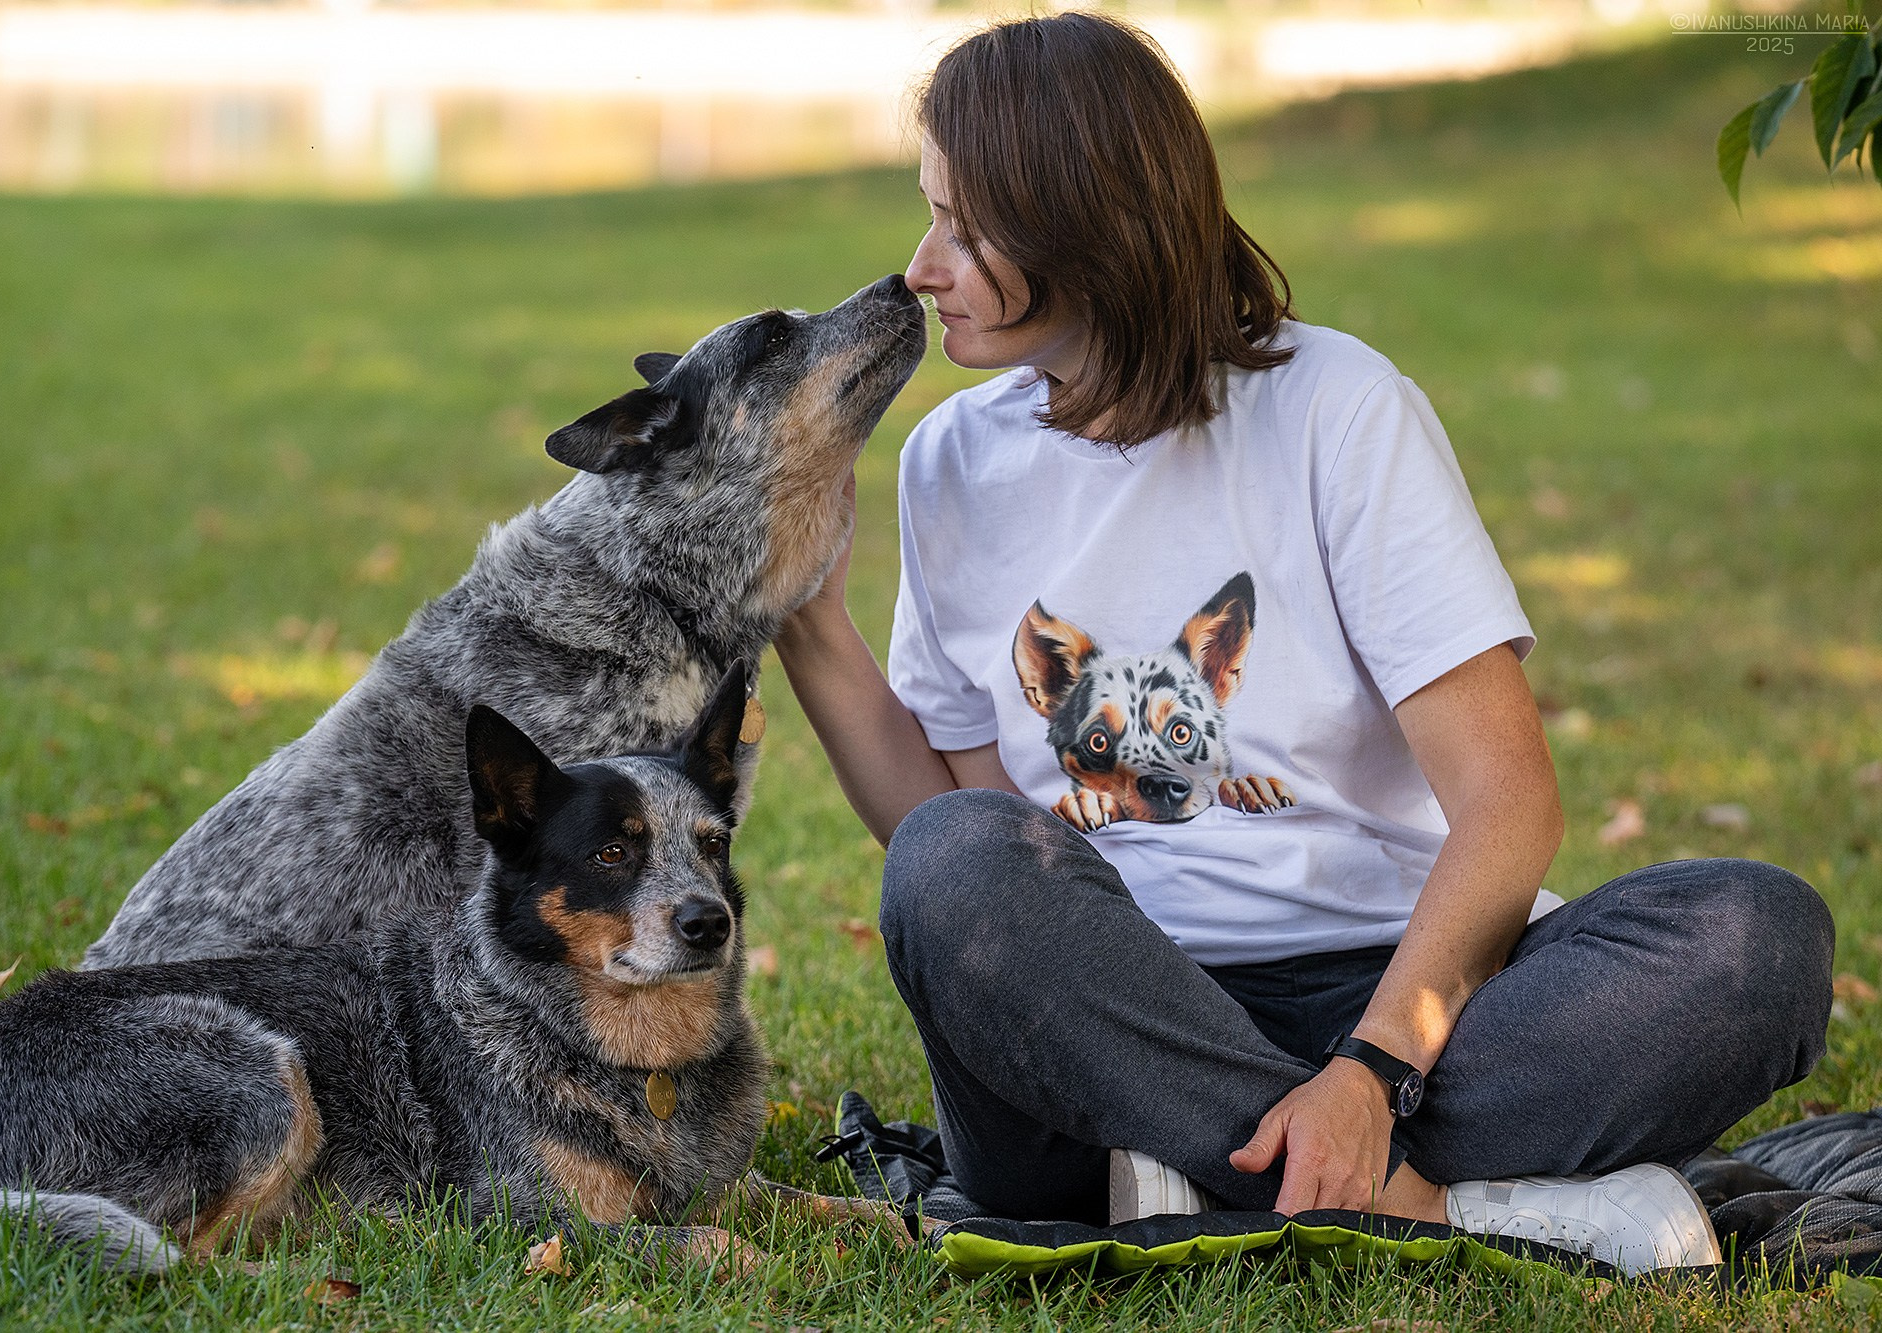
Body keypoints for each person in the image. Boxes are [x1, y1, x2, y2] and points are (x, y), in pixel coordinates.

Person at [772, 11, 1833, 1274]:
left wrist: (1373, 1072)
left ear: (1084, 227)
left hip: (1392, 999)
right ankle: (1434, 1197)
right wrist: (801, 614)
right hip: (1110, 1001)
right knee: (951, 862)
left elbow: (1505, 805)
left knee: (1756, 934)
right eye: (925, 212)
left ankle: (1199, 1178)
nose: (918, 267)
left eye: (962, 225)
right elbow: (959, 831)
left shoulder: (1335, 410)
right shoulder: (952, 460)